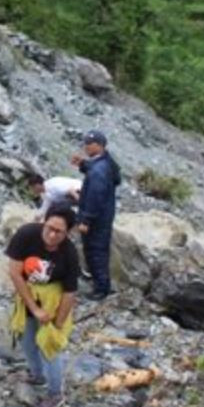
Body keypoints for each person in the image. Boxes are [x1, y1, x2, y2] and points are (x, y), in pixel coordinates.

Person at [5, 206, 80, 407]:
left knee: (49, 347)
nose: (52, 235)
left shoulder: (69, 253)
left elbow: (70, 293)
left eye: (59, 232)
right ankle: (37, 375)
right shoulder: (26, 235)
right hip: (29, 295)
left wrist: (57, 325)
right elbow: (15, 272)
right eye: (50, 228)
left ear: (68, 233)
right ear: (43, 222)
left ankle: (56, 394)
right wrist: (34, 308)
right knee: (27, 340)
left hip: (53, 299)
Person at [72, 129, 120, 301]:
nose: (85, 147)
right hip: (104, 215)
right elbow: (113, 177)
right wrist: (83, 165)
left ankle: (101, 289)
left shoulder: (99, 170)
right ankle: (101, 284)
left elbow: (95, 196)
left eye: (89, 144)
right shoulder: (106, 162)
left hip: (97, 219)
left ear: (99, 145)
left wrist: (85, 219)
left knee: (95, 251)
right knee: (99, 250)